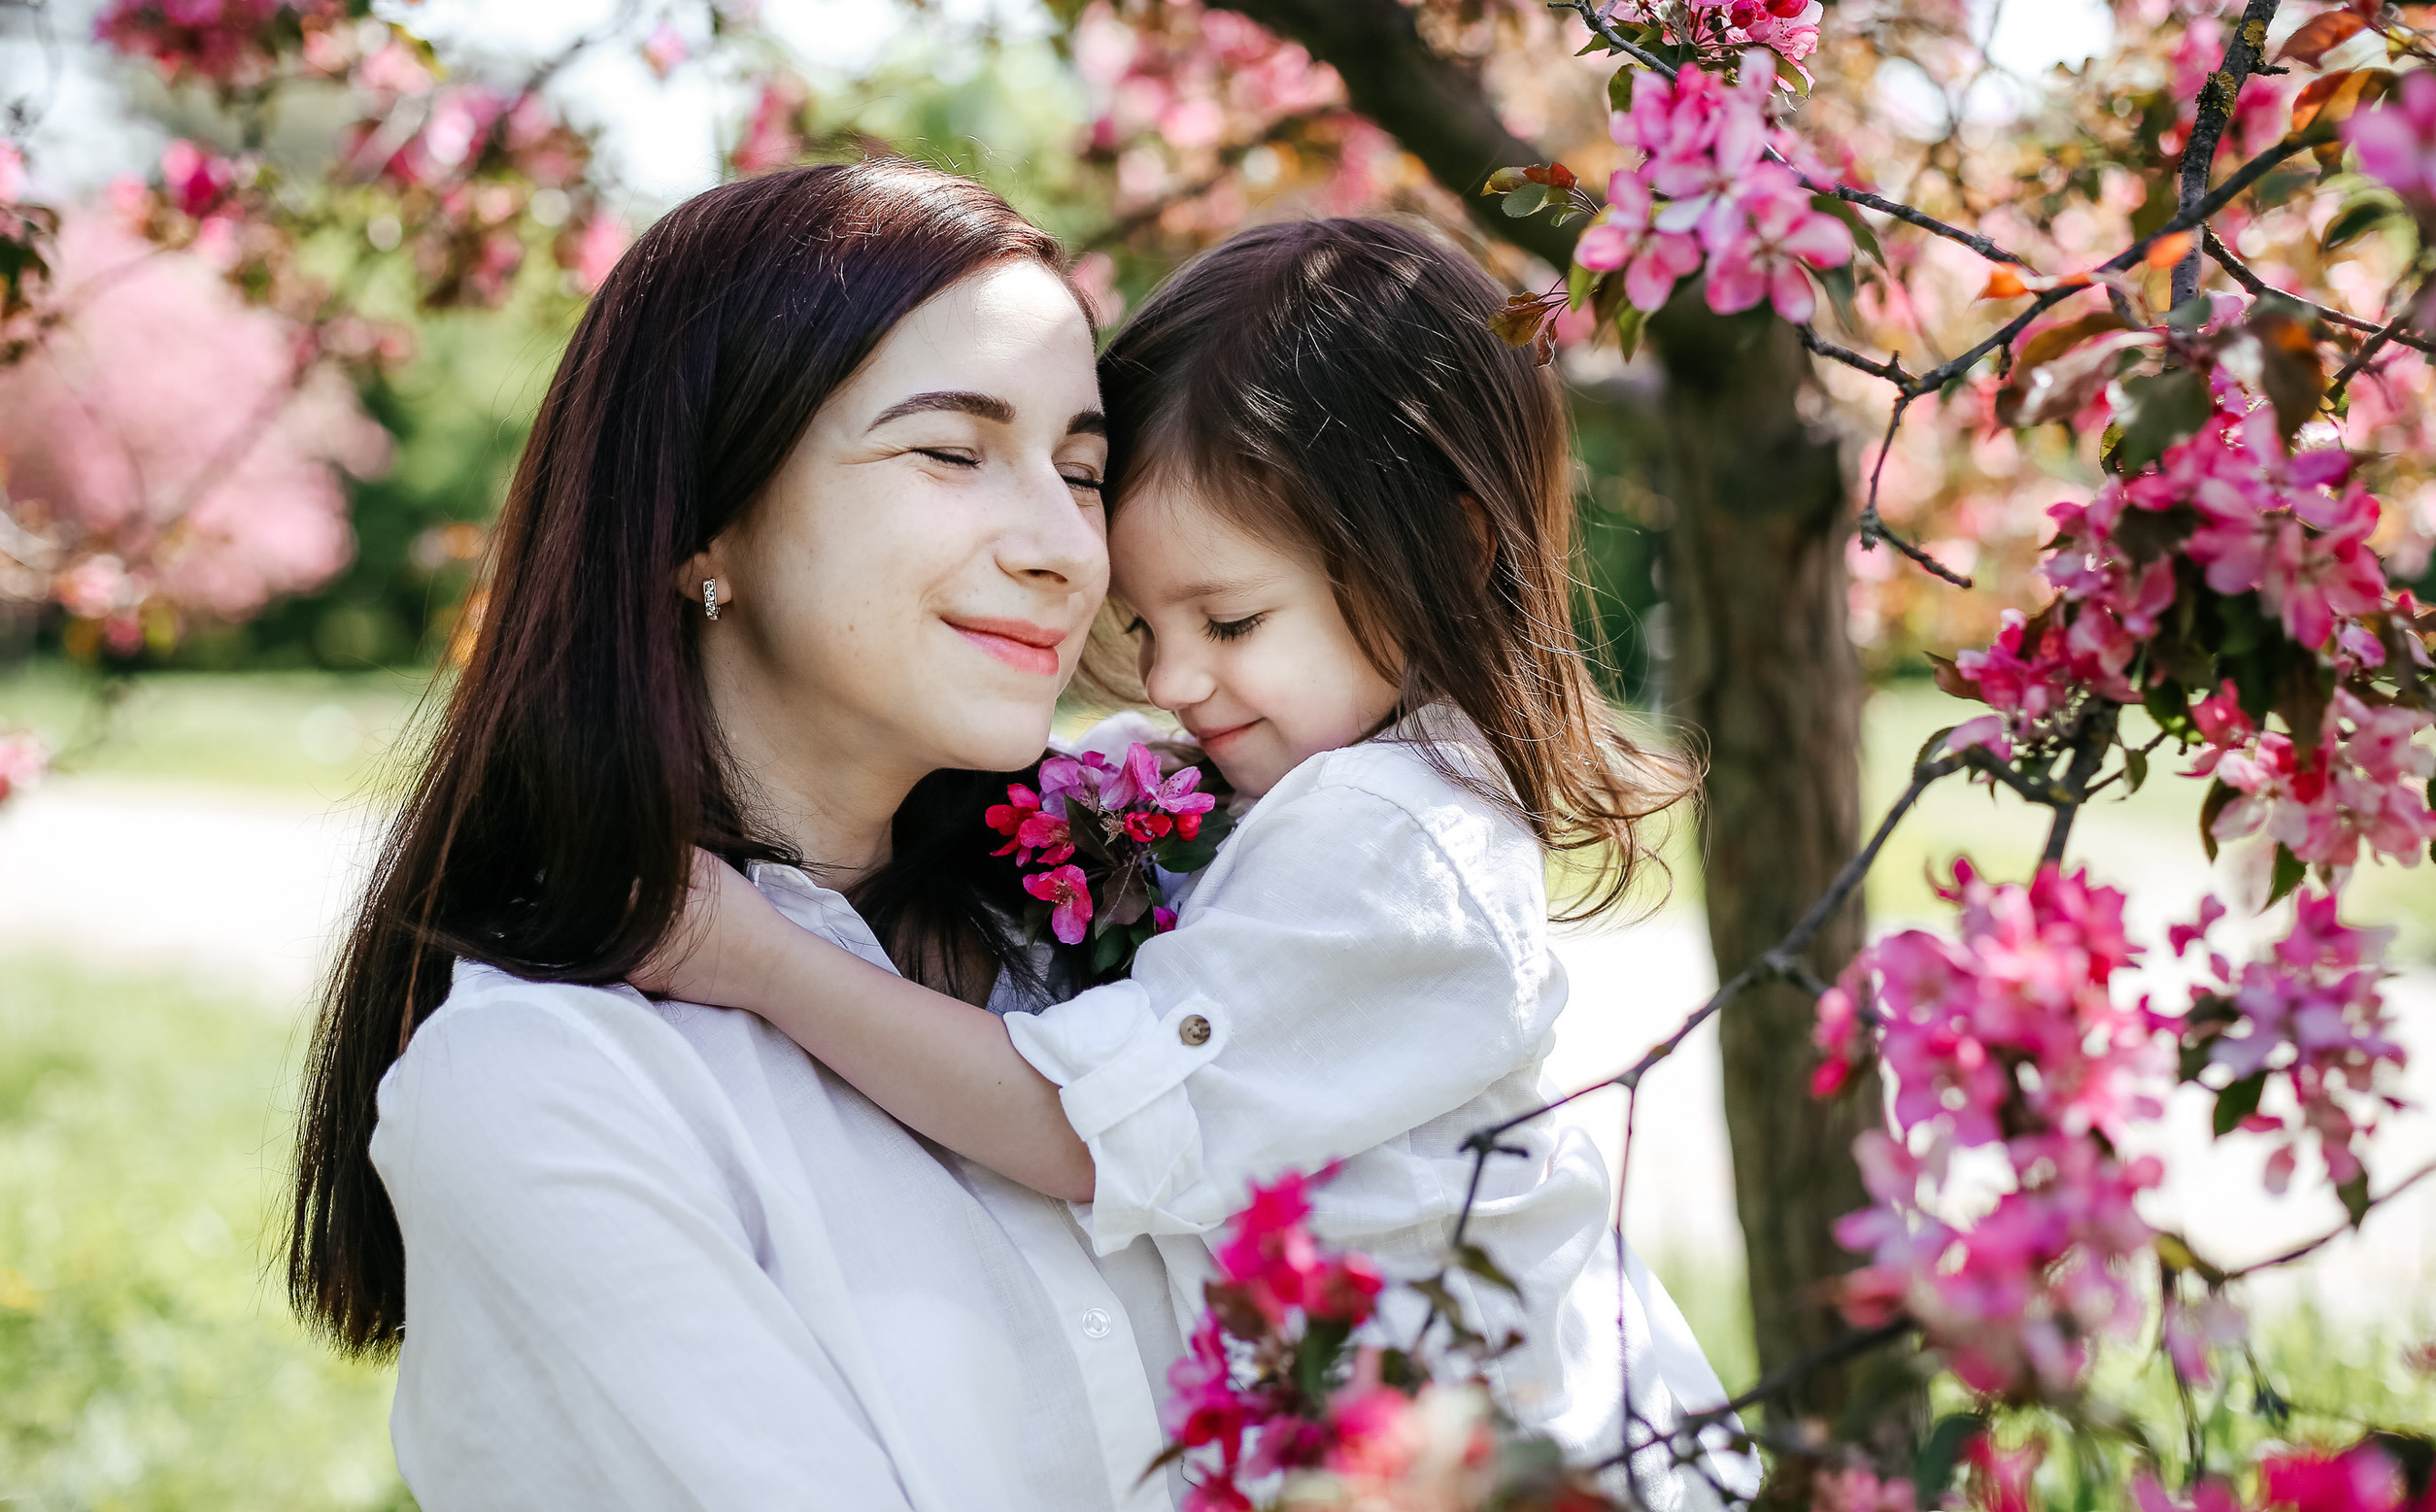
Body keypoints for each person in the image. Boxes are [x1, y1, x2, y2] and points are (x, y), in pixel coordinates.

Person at [642, 218, 1752, 1501]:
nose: (1171, 679)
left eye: (1228, 621)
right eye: (1143, 626)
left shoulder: (1399, 845)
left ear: (1447, 554)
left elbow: (1080, 1128)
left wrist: (757, 958)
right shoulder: (1290, 777)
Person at [287, 160, 1186, 1510]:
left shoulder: (1142, 934)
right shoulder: (547, 1083)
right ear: (699, 524)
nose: (1065, 548)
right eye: (951, 452)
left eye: (1082, 471)